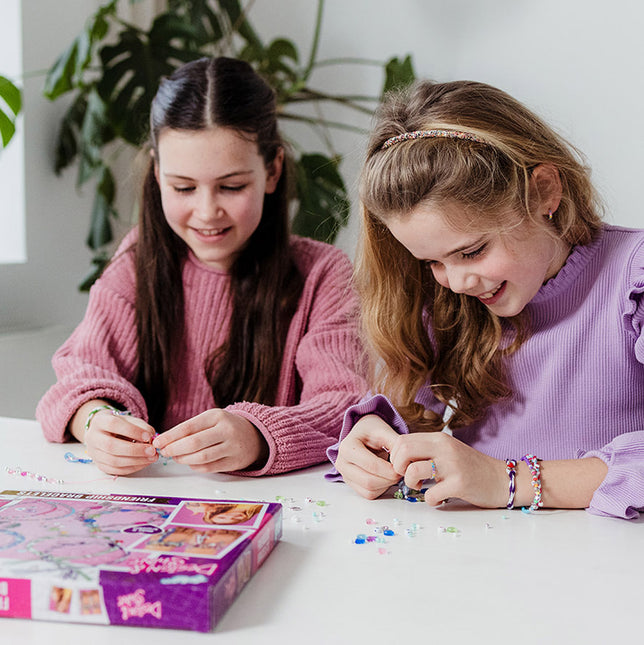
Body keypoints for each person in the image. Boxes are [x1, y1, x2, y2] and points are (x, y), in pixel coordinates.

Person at [327, 79, 644, 519]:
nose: (455, 282)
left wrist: (504, 479)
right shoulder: (455, 301)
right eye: (432, 262)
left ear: (544, 192)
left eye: (472, 251)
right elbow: (416, 416)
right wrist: (375, 443)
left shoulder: (633, 277)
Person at [37, 56, 366, 478]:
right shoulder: (138, 260)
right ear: (157, 174)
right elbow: (76, 378)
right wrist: (96, 421)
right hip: (151, 512)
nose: (207, 211)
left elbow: (345, 404)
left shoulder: (323, 275)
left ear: (272, 170)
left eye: (231, 186)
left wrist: (255, 435)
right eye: (184, 187)